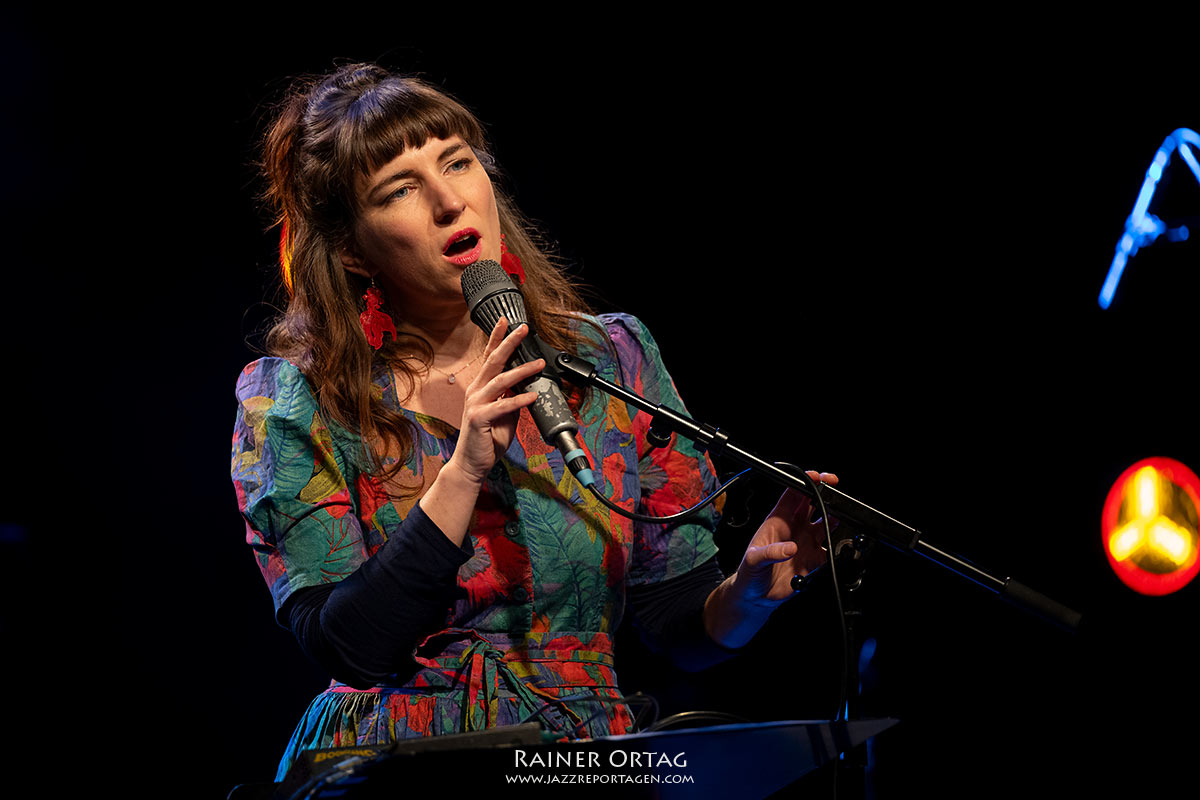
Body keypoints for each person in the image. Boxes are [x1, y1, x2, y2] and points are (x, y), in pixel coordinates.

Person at [230, 63, 836, 782]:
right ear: (355, 249)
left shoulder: (608, 357)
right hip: (393, 766)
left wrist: (745, 599)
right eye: (401, 189)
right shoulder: (295, 397)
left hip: (579, 763)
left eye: (457, 162)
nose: (450, 200)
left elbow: (673, 615)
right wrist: (463, 470)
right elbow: (352, 646)